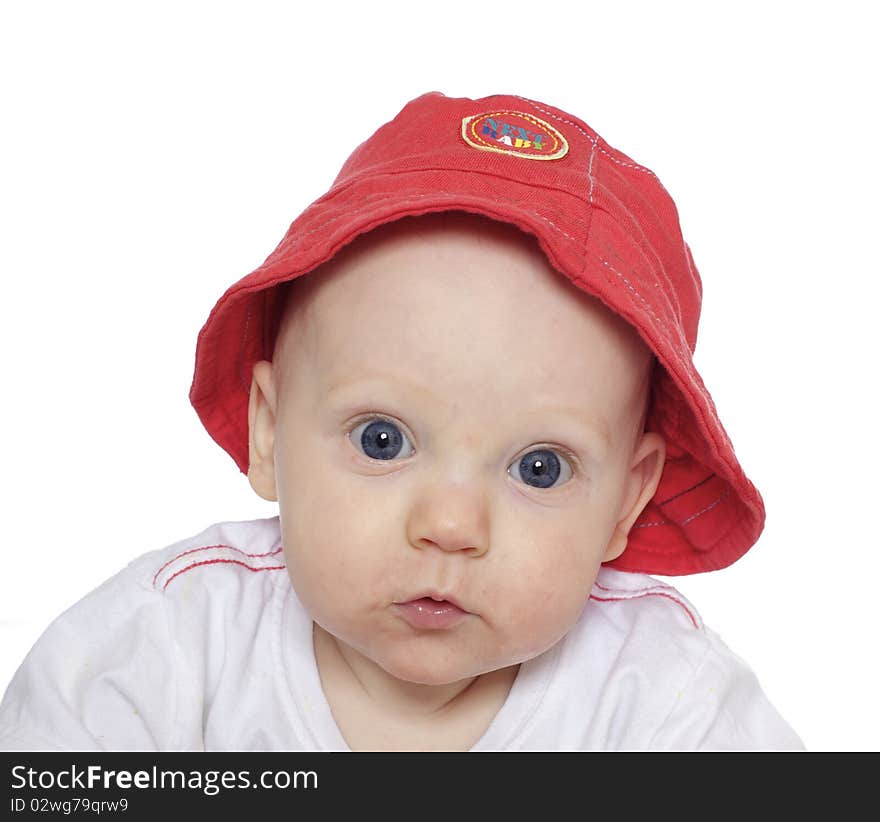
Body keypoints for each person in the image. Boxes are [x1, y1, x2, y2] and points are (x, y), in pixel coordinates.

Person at [0, 92, 803, 751]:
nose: (451, 525)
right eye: (382, 440)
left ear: (624, 504)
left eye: (540, 467)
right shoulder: (162, 650)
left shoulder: (667, 706)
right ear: (270, 434)